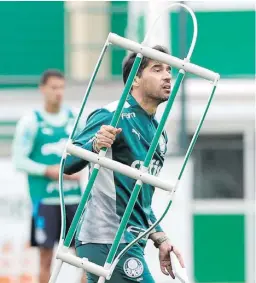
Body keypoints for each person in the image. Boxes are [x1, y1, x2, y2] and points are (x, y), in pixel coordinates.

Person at [64, 46, 185, 283]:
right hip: (106, 237)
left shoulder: (159, 134)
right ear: (135, 79)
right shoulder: (112, 113)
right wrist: (94, 144)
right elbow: (67, 164)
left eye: (169, 69)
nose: (167, 75)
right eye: (157, 69)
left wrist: (160, 238)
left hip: (130, 241)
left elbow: (140, 200)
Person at [12, 70, 86, 283]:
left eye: (61, 88)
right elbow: (19, 160)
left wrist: (79, 168)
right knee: (45, 259)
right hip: (45, 200)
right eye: (53, 88)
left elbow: (89, 152)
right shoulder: (31, 122)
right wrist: (49, 171)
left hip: (73, 200)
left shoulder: (75, 119)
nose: (58, 93)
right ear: (43, 89)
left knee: (86, 258)